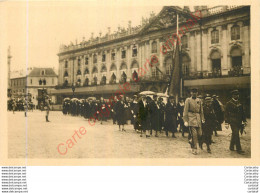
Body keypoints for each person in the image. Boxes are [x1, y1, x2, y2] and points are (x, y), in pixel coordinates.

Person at [225, 90, 247, 154]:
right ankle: (239, 149)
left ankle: (231, 146)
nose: (237, 96)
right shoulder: (228, 103)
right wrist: (226, 123)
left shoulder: (240, 102)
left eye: (237, 94)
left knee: (235, 134)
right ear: (232, 95)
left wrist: (244, 120)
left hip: (239, 121)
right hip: (232, 121)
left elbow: (242, 112)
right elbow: (226, 113)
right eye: (235, 95)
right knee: (236, 134)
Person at [183, 88, 205, 155]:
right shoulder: (188, 100)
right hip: (191, 118)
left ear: (197, 93)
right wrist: (185, 120)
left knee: (200, 134)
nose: (194, 93)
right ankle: (194, 148)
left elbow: (201, 111)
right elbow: (185, 111)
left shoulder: (199, 100)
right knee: (194, 135)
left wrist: (202, 118)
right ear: (191, 93)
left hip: (198, 119)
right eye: (193, 92)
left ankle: (191, 140)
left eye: (195, 92)